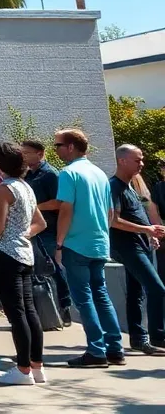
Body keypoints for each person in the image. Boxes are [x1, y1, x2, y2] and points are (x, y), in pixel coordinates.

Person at [54, 128, 124, 368]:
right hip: (99, 243)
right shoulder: (99, 174)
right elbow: (110, 212)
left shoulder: (69, 173)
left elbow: (66, 209)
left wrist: (59, 243)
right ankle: (115, 348)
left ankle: (96, 351)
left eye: (58, 146)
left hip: (76, 244)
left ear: (71, 146)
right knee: (101, 295)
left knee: (84, 299)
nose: (57, 150)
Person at [0, 141, 48, 387]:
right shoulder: (25, 186)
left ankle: (22, 369)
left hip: (5, 255)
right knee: (29, 311)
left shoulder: (2, 189)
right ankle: (36, 366)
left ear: (0, 162)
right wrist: (23, 234)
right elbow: (40, 223)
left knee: (16, 314)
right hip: (24, 254)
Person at [108, 144, 165, 356]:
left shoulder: (130, 185)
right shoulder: (114, 186)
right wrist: (147, 229)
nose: (141, 164)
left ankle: (138, 339)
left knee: (136, 292)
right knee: (157, 289)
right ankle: (158, 336)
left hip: (141, 244)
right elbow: (113, 220)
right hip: (128, 247)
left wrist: (149, 235)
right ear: (122, 161)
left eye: (141, 159)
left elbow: (137, 213)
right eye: (137, 160)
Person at [21, 139, 72, 323]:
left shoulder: (50, 175)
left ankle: (65, 307)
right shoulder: (27, 175)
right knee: (38, 270)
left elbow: (59, 202)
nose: (23, 156)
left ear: (40, 154)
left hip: (49, 230)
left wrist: (34, 207)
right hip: (34, 230)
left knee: (55, 268)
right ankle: (45, 309)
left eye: (27, 152)